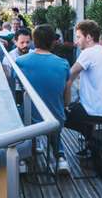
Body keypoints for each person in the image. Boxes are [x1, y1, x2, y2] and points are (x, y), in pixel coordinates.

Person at [16, 24, 71, 173]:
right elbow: (67, 98)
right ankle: (60, 158)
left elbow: (18, 88)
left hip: (30, 120)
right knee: (53, 117)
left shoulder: (20, 62)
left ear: (34, 41)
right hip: (56, 119)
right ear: (53, 42)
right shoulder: (63, 63)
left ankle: (22, 159)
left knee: (19, 111)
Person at [65, 20, 102, 144]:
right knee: (77, 108)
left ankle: (61, 156)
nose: (76, 41)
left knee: (58, 115)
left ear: (89, 37)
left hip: (96, 112)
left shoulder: (88, 53)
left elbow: (68, 77)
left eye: (79, 37)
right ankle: (92, 143)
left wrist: (65, 105)